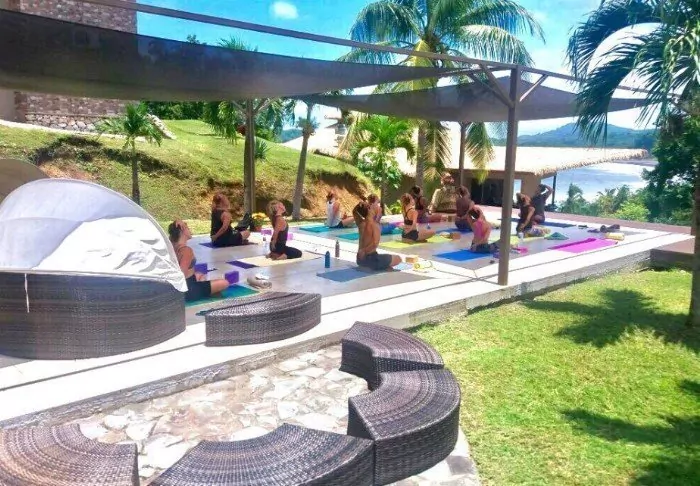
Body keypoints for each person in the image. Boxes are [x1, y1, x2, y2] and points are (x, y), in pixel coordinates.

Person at [169, 220, 230, 302]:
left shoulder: (173, 245)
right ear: (182, 230)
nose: (190, 230)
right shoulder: (186, 250)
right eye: (187, 228)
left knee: (199, 274)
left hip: (187, 284)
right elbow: (181, 274)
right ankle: (207, 297)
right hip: (189, 290)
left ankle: (204, 290)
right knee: (224, 283)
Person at [353, 201, 402, 271]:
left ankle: (382, 266)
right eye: (374, 205)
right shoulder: (375, 225)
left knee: (383, 258)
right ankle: (382, 266)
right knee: (398, 258)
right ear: (370, 209)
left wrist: (359, 205)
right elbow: (375, 243)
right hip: (371, 260)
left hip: (360, 260)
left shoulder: (361, 223)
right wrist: (363, 251)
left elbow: (354, 211)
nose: (378, 207)